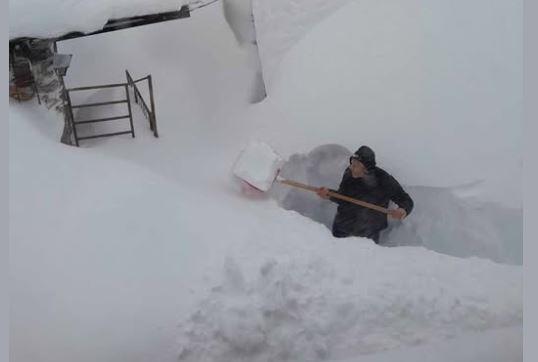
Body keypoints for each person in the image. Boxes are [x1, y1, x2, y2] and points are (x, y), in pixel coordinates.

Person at [317, 145, 413, 243]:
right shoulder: (349, 174)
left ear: (366, 168)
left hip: (368, 233)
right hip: (342, 228)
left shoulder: (383, 180)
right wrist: (329, 194)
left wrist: (402, 210)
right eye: (351, 163)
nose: (351, 167)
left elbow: (406, 200)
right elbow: (344, 198)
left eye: (356, 165)